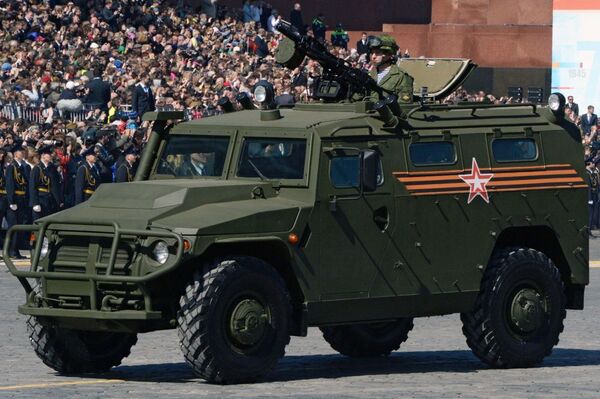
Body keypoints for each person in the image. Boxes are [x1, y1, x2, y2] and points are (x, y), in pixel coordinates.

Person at [367, 34, 414, 104]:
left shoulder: (401, 77)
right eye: (372, 53)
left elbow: (404, 105)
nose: (373, 56)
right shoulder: (370, 74)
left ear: (388, 54)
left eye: (377, 53)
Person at [5, 144, 29, 258]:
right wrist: (11, 202)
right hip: (15, 200)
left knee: (19, 226)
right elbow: (9, 186)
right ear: (15, 154)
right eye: (20, 152)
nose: (22, 153)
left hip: (22, 199)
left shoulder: (22, 167)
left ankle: (16, 250)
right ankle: (11, 250)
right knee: (13, 226)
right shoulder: (11, 167)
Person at [30, 146, 61, 221]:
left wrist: (59, 201)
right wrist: (35, 203)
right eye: (48, 154)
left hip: (50, 199)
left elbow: (55, 185)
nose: (51, 156)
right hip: (41, 199)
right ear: (43, 155)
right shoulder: (37, 168)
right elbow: (33, 187)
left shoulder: (51, 168)